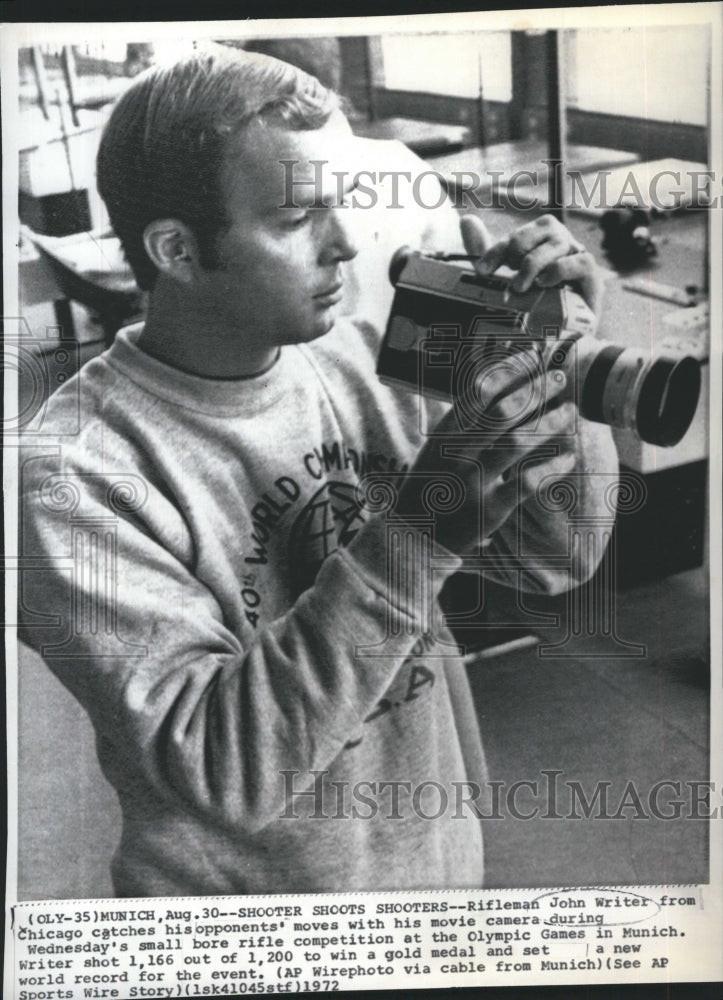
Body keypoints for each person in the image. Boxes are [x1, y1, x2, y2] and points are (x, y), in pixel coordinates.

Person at [19, 45, 618, 897]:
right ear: (177, 250)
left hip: (435, 887)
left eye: (339, 207)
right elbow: (225, 773)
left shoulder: (352, 359)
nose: (342, 245)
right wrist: (416, 533)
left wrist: (562, 368)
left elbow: (550, 557)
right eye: (296, 220)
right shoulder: (74, 476)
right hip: (255, 935)